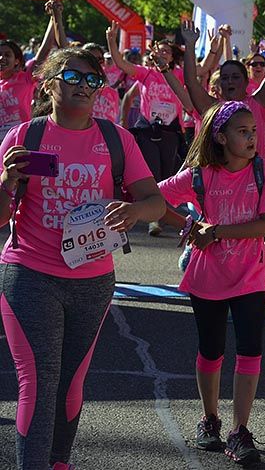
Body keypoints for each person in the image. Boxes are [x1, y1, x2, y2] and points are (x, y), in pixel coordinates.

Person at [0, 47, 165, 470]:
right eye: (72, 78)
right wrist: (6, 184)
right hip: (29, 271)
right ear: (48, 84)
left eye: (92, 80)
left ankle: (59, 462)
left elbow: (155, 201)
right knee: (38, 382)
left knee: (71, 384)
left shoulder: (116, 139)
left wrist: (134, 211)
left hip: (92, 278)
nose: (84, 87)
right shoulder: (24, 138)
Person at [158, 100, 265, 465]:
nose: (251, 138)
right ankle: (209, 420)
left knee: (250, 350)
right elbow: (154, 197)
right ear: (221, 136)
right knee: (210, 350)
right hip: (207, 277)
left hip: (250, 278)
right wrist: (188, 226)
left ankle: (239, 429)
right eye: (243, 132)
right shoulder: (200, 175)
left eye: (254, 131)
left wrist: (217, 231)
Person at [106, 25, 192, 236]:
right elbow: (121, 64)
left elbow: (202, 67)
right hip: (147, 130)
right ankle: (155, 221)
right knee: (151, 173)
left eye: (166, 51)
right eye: (159, 50)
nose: (162, 54)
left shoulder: (179, 74)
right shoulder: (146, 74)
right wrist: (112, 40)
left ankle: (163, 211)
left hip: (171, 131)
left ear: (172, 57)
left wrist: (193, 45)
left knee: (167, 174)